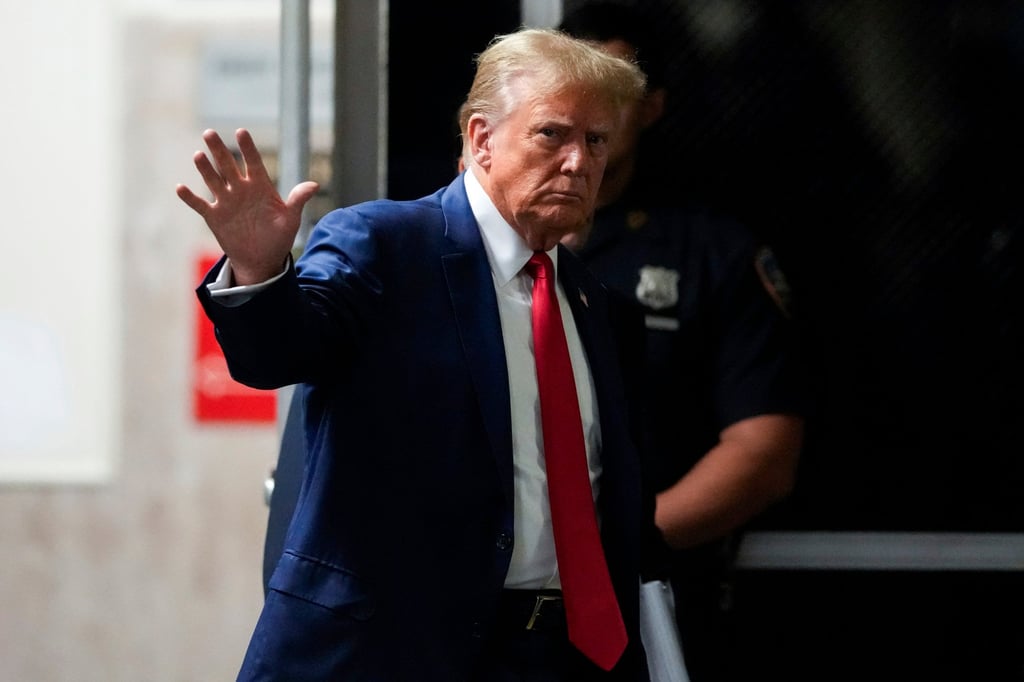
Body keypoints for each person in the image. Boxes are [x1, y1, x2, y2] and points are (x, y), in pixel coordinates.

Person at [177, 27, 658, 681]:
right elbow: (276, 355)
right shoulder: (384, 242)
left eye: (595, 141)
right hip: (390, 654)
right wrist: (259, 269)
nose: (579, 162)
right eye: (554, 134)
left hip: (558, 655)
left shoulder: (592, 302)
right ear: (482, 138)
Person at [557, 4, 809, 681]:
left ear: (653, 107)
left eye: (612, 90)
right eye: (566, 89)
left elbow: (763, 453)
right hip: (481, 602)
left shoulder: (709, 253)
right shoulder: (467, 245)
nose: (586, 116)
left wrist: (607, 551)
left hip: (652, 603)